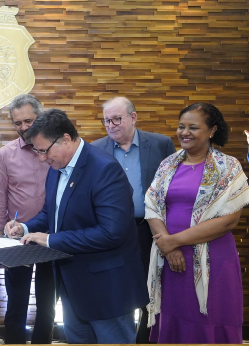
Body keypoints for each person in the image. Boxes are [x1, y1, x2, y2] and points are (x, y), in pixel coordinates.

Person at [5, 109, 148, 344]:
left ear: (66, 139)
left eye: (43, 151)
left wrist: (51, 240)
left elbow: (112, 233)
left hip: (107, 290)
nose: (41, 158)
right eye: (37, 152)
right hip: (73, 288)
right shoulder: (56, 168)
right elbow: (51, 214)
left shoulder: (104, 169)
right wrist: (25, 228)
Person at [145, 103, 249, 343]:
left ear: (212, 130)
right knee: (174, 317)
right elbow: (151, 206)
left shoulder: (228, 167)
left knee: (209, 317)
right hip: (171, 262)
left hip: (213, 260)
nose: (185, 132)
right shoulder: (167, 164)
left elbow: (228, 220)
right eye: (181, 126)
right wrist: (169, 248)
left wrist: (172, 242)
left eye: (193, 127)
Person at [92, 96, 175, 342]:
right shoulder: (96, 149)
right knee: (120, 288)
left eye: (117, 119)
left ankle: (147, 338)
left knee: (154, 287)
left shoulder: (161, 144)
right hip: (113, 233)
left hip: (151, 229)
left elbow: (172, 188)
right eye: (107, 120)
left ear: (133, 117)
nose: (111, 125)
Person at [0, 94, 56, 344]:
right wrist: (0, 243)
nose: (24, 127)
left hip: (53, 238)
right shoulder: (6, 155)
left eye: (29, 120)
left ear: (41, 117)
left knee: (48, 304)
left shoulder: (56, 150)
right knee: (16, 303)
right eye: (17, 123)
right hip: (17, 242)